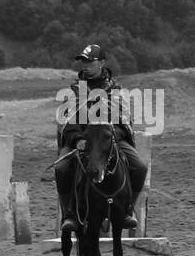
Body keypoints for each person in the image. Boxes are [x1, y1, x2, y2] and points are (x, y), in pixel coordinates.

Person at [55, 44, 148, 233]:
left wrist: (111, 136)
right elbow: (67, 121)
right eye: (83, 61)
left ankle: (126, 210)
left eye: (90, 61)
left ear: (102, 63)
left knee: (139, 166)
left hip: (110, 139)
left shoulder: (116, 90)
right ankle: (69, 214)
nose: (85, 65)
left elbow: (124, 122)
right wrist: (77, 139)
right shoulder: (74, 91)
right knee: (61, 168)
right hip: (81, 141)